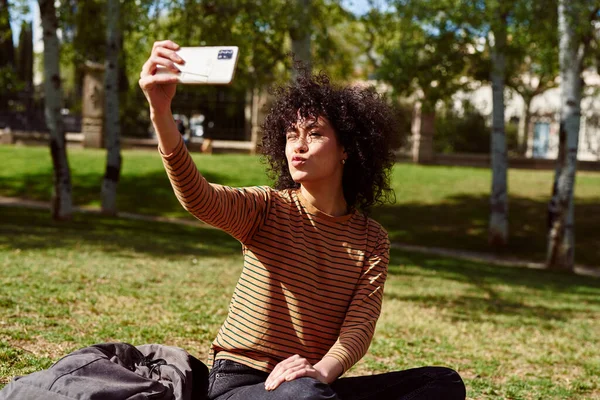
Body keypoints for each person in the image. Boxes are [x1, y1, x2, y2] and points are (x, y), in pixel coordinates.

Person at [139, 40, 466, 400]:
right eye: (291, 134)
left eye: (314, 133)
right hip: (242, 384)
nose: (298, 145)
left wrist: (320, 371)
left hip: (313, 383)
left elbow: (359, 325)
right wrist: (160, 111)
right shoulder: (266, 208)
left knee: (442, 382)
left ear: (346, 149)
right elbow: (198, 197)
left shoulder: (372, 240)